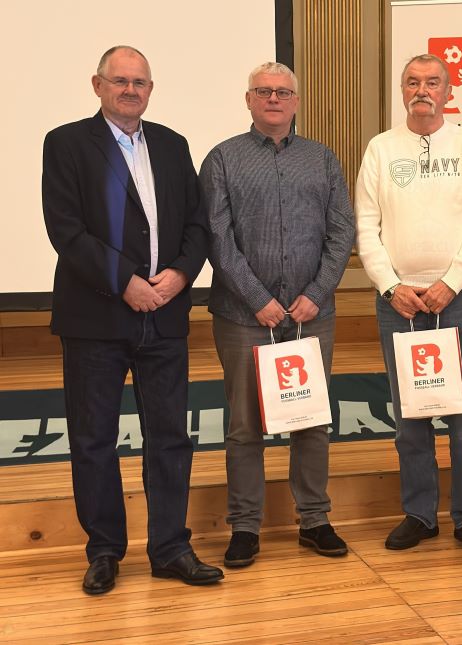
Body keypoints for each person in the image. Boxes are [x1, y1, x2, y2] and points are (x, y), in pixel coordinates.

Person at [42, 45, 222, 594]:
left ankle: (170, 548)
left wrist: (180, 275)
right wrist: (126, 282)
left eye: (139, 82)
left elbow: (198, 224)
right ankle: (104, 551)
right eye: (119, 80)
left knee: (170, 437)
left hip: (164, 314)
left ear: (150, 89)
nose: (129, 90)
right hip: (96, 316)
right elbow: (66, 229)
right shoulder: (66, 143)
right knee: (93, 440)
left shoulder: (171, 144)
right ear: (97, 85)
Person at [201, 62, 355, 567]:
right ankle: (245, 526)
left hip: (312, 314)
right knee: (245, 426)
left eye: (283, 92)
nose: (273, 99)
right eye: (263, 91)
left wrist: (317, 292)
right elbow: (217, 238)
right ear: (248, 99)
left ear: (296, 101)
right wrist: (257, 298)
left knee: (311, 420)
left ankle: (314, 519)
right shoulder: (222, 158)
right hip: (243, 316)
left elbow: (342, 231)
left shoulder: (322, 158)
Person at [355, 54, 462, 554]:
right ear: (402, 91)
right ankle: (419, 514)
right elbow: (366, 227)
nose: (422, 90)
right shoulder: (380, 148)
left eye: (433, 82)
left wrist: (451, 283)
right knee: (410, 417)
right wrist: (390, 285)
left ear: (448, 92)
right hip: (399, 304)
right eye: (413, 82)